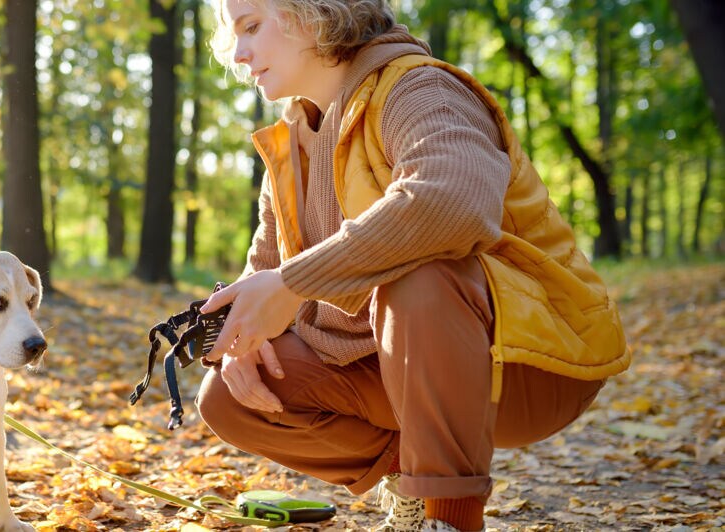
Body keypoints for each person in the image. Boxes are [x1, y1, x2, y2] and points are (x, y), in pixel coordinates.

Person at [192, 1, 630, 531]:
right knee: (229, 396)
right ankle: (413, 484)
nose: (238, 54)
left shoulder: (418, 89)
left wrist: (292, 283)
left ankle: (449, 519)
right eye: (232, 35)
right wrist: (239, 337)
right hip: (391, 369)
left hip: (527, 361)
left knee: (419, 274)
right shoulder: (291, 142)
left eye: (252, 27)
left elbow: (453, 202)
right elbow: (262, 272)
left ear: (313, 12)